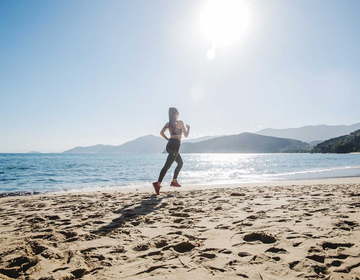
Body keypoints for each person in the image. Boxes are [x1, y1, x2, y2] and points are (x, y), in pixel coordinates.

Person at [153, 107, 190, 195]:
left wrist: (168, 139)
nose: (178, 114)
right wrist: (188, 128)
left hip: (170, 145)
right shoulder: (180, 122)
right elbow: (186, 135)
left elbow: (161, 133)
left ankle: (174, 181)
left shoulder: (169, 123)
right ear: (175, 114)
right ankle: (157, 184)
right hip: (175, 145)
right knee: (167, 166)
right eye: (178, 113)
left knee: (180, 163)